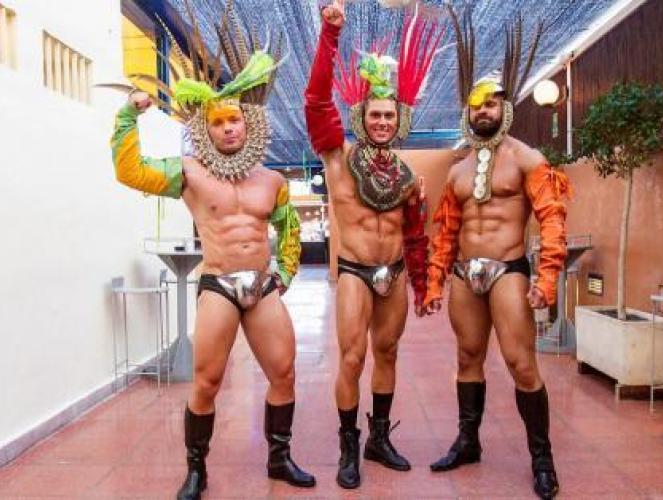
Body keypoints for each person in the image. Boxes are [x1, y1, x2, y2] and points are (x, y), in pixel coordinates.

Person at [109, 8, 315, 499]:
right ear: (207, 128)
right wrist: (128, 116)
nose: (228, 129)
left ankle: (279, 458)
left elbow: (288, 228)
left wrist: (284, 273)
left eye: (234, 120)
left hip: (262, 287)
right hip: (219, 284)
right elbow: (130, 172)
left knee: (284, 373)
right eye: (218, 122)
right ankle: (196, 470)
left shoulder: (271, 180)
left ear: (248, 124)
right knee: (206, 382)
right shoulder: (189, 173)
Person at [424, 7, 569, 499]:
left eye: (491, 104)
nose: (483, 111)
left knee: (520, 362)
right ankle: (468, 442)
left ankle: (542, 459)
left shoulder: (528, 159)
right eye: (476, 106)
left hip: (508, 270)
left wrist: (546, 278)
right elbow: (447, 232)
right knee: (467, 356)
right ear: (467, 113)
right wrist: (435, 281)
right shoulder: (458, 171)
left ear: (505, 108)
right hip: (466, 275)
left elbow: (552, 220)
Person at [304, 0, 445, 489]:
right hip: (356, 272)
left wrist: (424, 284)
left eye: (389, 115)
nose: (382, 122)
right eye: (375, 115)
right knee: (352, 358)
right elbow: (315, 100)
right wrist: (330, 35)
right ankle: (349, 445)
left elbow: (414, 233)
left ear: (397, 119)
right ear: (362, 117)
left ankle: (378, 439)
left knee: (388, 353)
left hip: (395, 273)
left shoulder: (405, 174)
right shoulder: (337, 156)